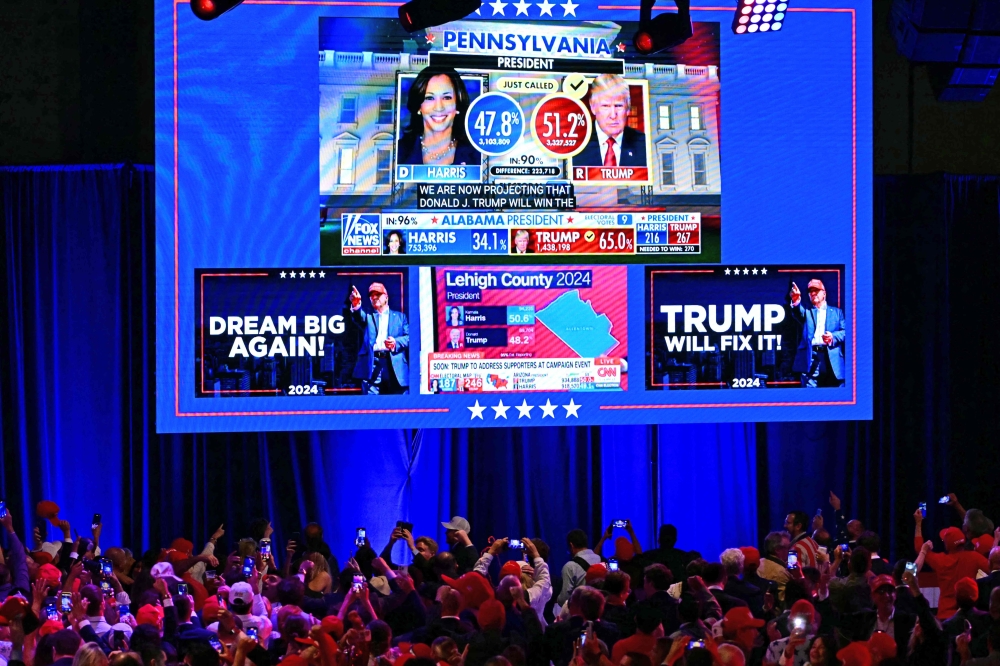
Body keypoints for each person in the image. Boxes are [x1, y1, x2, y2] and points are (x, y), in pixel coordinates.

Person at [913, 509, 989, 619]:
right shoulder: (974, 557)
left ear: (947, 545)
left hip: (944, 616)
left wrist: (918, 523)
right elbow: (993, 568)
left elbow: (918, 548)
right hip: (967, 615)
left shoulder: (939, 560)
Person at [396, 66, 478, 166]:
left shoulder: (476, 154)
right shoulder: (399, 152)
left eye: (447, 97)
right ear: (419, 107)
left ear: (458, 104)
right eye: (430, 98)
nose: (439, 107)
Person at [574, 74, 647, 168]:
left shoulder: (643, 144)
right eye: (605, 106)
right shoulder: (577, 141)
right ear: (593, 107)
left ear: (628, 108)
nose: (613, 115)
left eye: (618, 106)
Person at [349, 281, 409, 395]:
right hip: (373, 364)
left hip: (394, 365)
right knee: (371, 404)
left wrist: (396, 342)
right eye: (371, 295)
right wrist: (356, 305)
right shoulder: (369, 317)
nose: (374, 297)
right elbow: (358, 317)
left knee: (398, 403)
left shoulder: (400, 318)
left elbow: (409, 337)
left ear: (386, 297)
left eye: (378, 294)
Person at [788, 279, 846, 387]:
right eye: (810, 291)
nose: (813, 293)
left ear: (824, 293)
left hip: (831, 359)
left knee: (835, 394)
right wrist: (796, 301)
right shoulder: (807, 312)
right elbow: (798, 312)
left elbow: (845, 332)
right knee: (810, 395)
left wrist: (833, 337)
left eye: (816, 290)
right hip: (811, 357)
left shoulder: (837, 313)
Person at [556, 530, 602, 605]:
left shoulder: (570, 566)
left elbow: (564, 599)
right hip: (601, 608)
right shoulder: (602, 560)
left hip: (581, 611)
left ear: (571, 545)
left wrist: (556, 600)